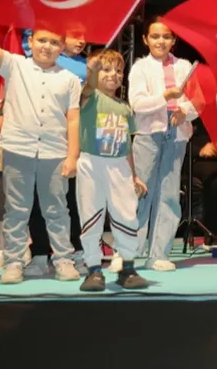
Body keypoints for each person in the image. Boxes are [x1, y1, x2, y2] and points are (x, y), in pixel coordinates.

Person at [0, 6, 82, 285]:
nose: (47, 46)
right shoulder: (14, 65)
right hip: (18, 150)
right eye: (42, 40)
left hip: (54, 152)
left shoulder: (69, 79)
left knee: (57, 210)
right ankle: (14, 262)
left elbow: (73, 119)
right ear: (30, 41)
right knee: (16, 210)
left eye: (54, 42)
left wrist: (72, 156)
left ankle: (63, 259)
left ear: (62, 46)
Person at [127, 18, 198, 273]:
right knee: (140, 190)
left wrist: (185, 111)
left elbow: (198, 100)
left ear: (173, 40)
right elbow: (137, 103)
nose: (161, 41)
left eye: (166, 36)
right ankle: (128, 250)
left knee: (168, 194)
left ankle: (159, 254)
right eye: (155, 36)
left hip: (176, 135)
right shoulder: (140, 67)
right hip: (148, 134)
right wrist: (165, 97)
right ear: (145, 40)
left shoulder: (185, 66)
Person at [75, 49, 149, 291]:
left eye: (118, 71)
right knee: (91, 215)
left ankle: (127, 266)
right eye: (106, 69)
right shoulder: (89, 98)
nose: (113, 75)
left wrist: (134, 175)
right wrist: (92, 71)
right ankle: (94, 269)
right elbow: (87, 88)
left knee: (126, 214)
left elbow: (127, 145)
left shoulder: (125, 107)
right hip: (92, 163)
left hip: (119, 166)